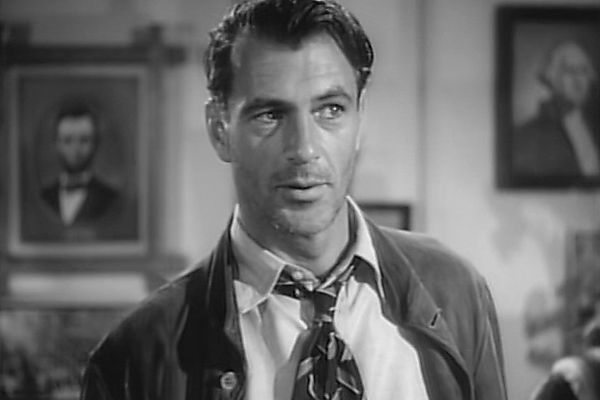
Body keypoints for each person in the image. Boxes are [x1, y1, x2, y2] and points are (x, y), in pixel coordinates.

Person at [80, 0, 507, 399]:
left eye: (330, 110)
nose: (304, 148)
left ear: (360, 119)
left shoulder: (454, 291)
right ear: (219, 130)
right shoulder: (136, 354)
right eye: (270, 115)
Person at [513, 40, 600, 180]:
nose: (578, 79)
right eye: (569, 71)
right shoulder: (528, 134)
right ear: (553, 78)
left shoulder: (594, 124)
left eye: (583, 71)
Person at [40, 102, 118, 227]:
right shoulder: (44, 197)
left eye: (84, 140)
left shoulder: (110, 199)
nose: (75, 150)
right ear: (56, 144)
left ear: (96, 144)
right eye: (67, 140)